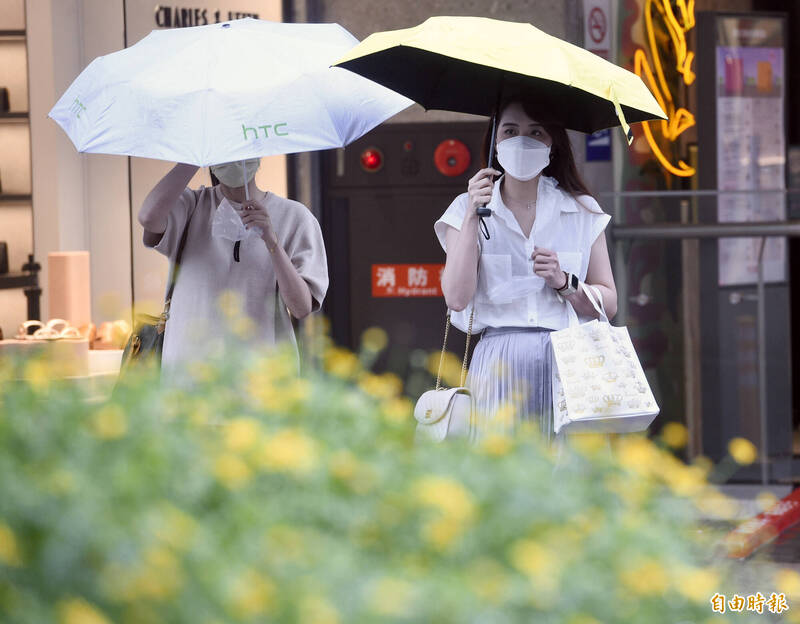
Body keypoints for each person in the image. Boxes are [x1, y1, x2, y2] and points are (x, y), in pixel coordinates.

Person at [434, 96, 618, 443]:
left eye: (536, 131)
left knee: (568, 476)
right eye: (511, 130)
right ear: (495, 141)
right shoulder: (466, 209)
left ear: (552, 142)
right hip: (498, 360)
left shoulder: (580, 209)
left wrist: (565, 282)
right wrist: (474, 213)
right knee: (503, 476)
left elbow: (609, 302)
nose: (523, 140)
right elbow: (456, 298)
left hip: (567, 359)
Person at [138, 158, 328, 380]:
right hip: (188, 375)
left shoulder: (296, 217)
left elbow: (302, 307)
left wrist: (271, 240)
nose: (235, 158)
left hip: (261, 380)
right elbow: (148, 217)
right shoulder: (192, 205)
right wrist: (194, 156)